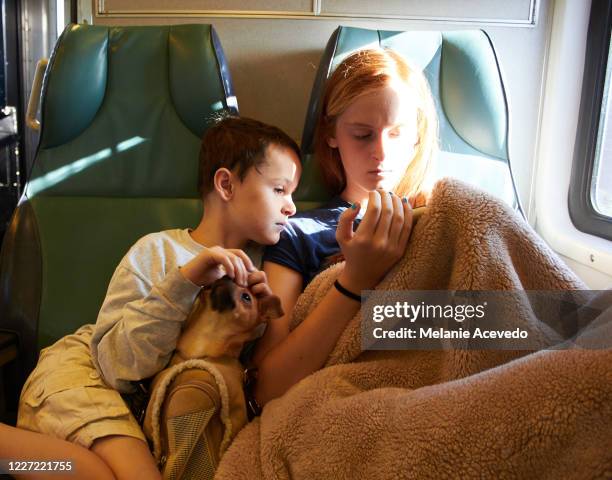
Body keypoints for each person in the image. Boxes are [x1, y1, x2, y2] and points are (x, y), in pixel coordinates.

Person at [0, 116, 301, 480]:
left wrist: (256, 318)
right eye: (280, 190)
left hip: (143, 408)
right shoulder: (158, 252)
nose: (292, 207)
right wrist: (186, 280)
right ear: (225, 184)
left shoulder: (270, 271)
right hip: (86, 375)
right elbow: (118, 367)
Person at [252, 48, 438, 406]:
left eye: (396, 134)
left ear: (417, 136)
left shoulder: (440, 214)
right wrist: (356, 279)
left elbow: (495, 322)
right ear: (332, 135)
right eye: (363, 135)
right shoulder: (298, 234)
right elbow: (265, 388)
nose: (381, 153)